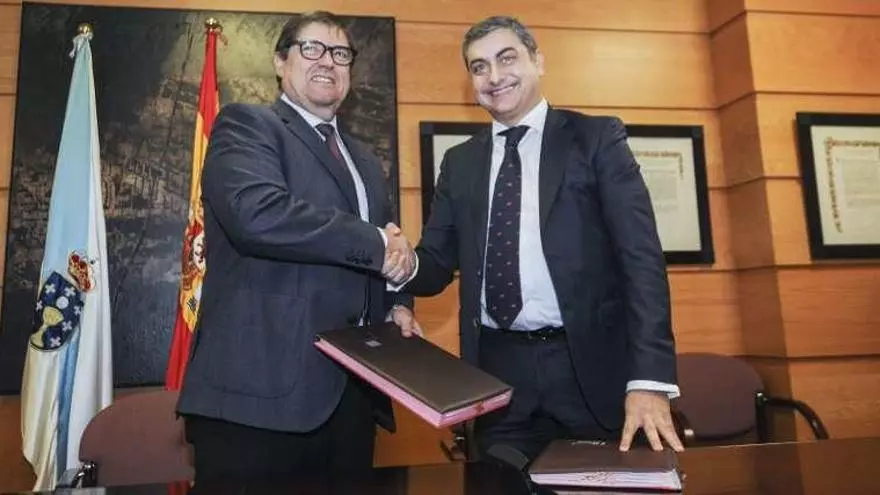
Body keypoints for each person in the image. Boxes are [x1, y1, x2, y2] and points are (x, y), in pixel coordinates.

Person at [391, 15, 683, 462]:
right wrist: (398, 260)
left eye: (506, 59)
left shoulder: (595, 139)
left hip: (589, 372)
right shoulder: (460, 162)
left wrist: (648, 380)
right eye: (479, 67)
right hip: (498, 379)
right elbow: (435, 264)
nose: (494, 76)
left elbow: (642, 262)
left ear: (538, 62)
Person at [176, 11, 419, 482]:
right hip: (257, 401)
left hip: (352, 401)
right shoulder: (246, 125)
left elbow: (381, 249)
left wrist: (397, 302)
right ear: (280, 62)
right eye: (312, 48)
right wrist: (375, 242)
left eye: (340, 53)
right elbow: (257, 214)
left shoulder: (366, 161)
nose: (328, 61)